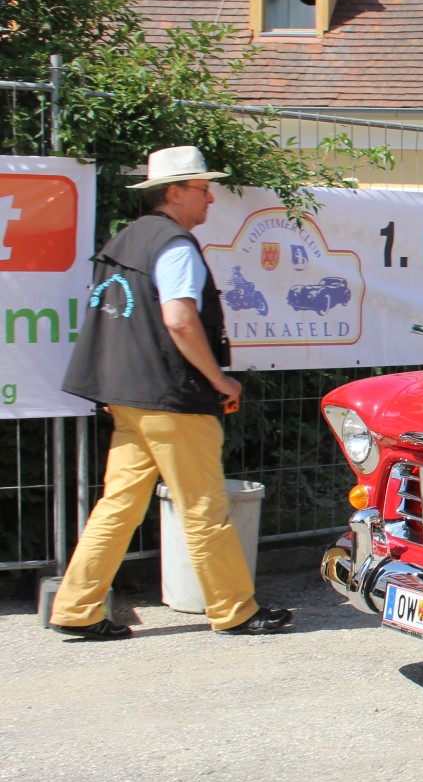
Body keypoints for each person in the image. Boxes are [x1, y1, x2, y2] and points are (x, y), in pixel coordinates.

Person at [50, 146, 289, 638]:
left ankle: (77, 607)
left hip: (126, 396)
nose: (210, 200)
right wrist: (219, 379)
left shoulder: (127, 239)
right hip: (171, 399)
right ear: (175, 192)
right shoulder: (175, 246)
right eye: (203, 190)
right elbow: (179, 320)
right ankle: (235, 610)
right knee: (204, 509)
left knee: (118, 506)